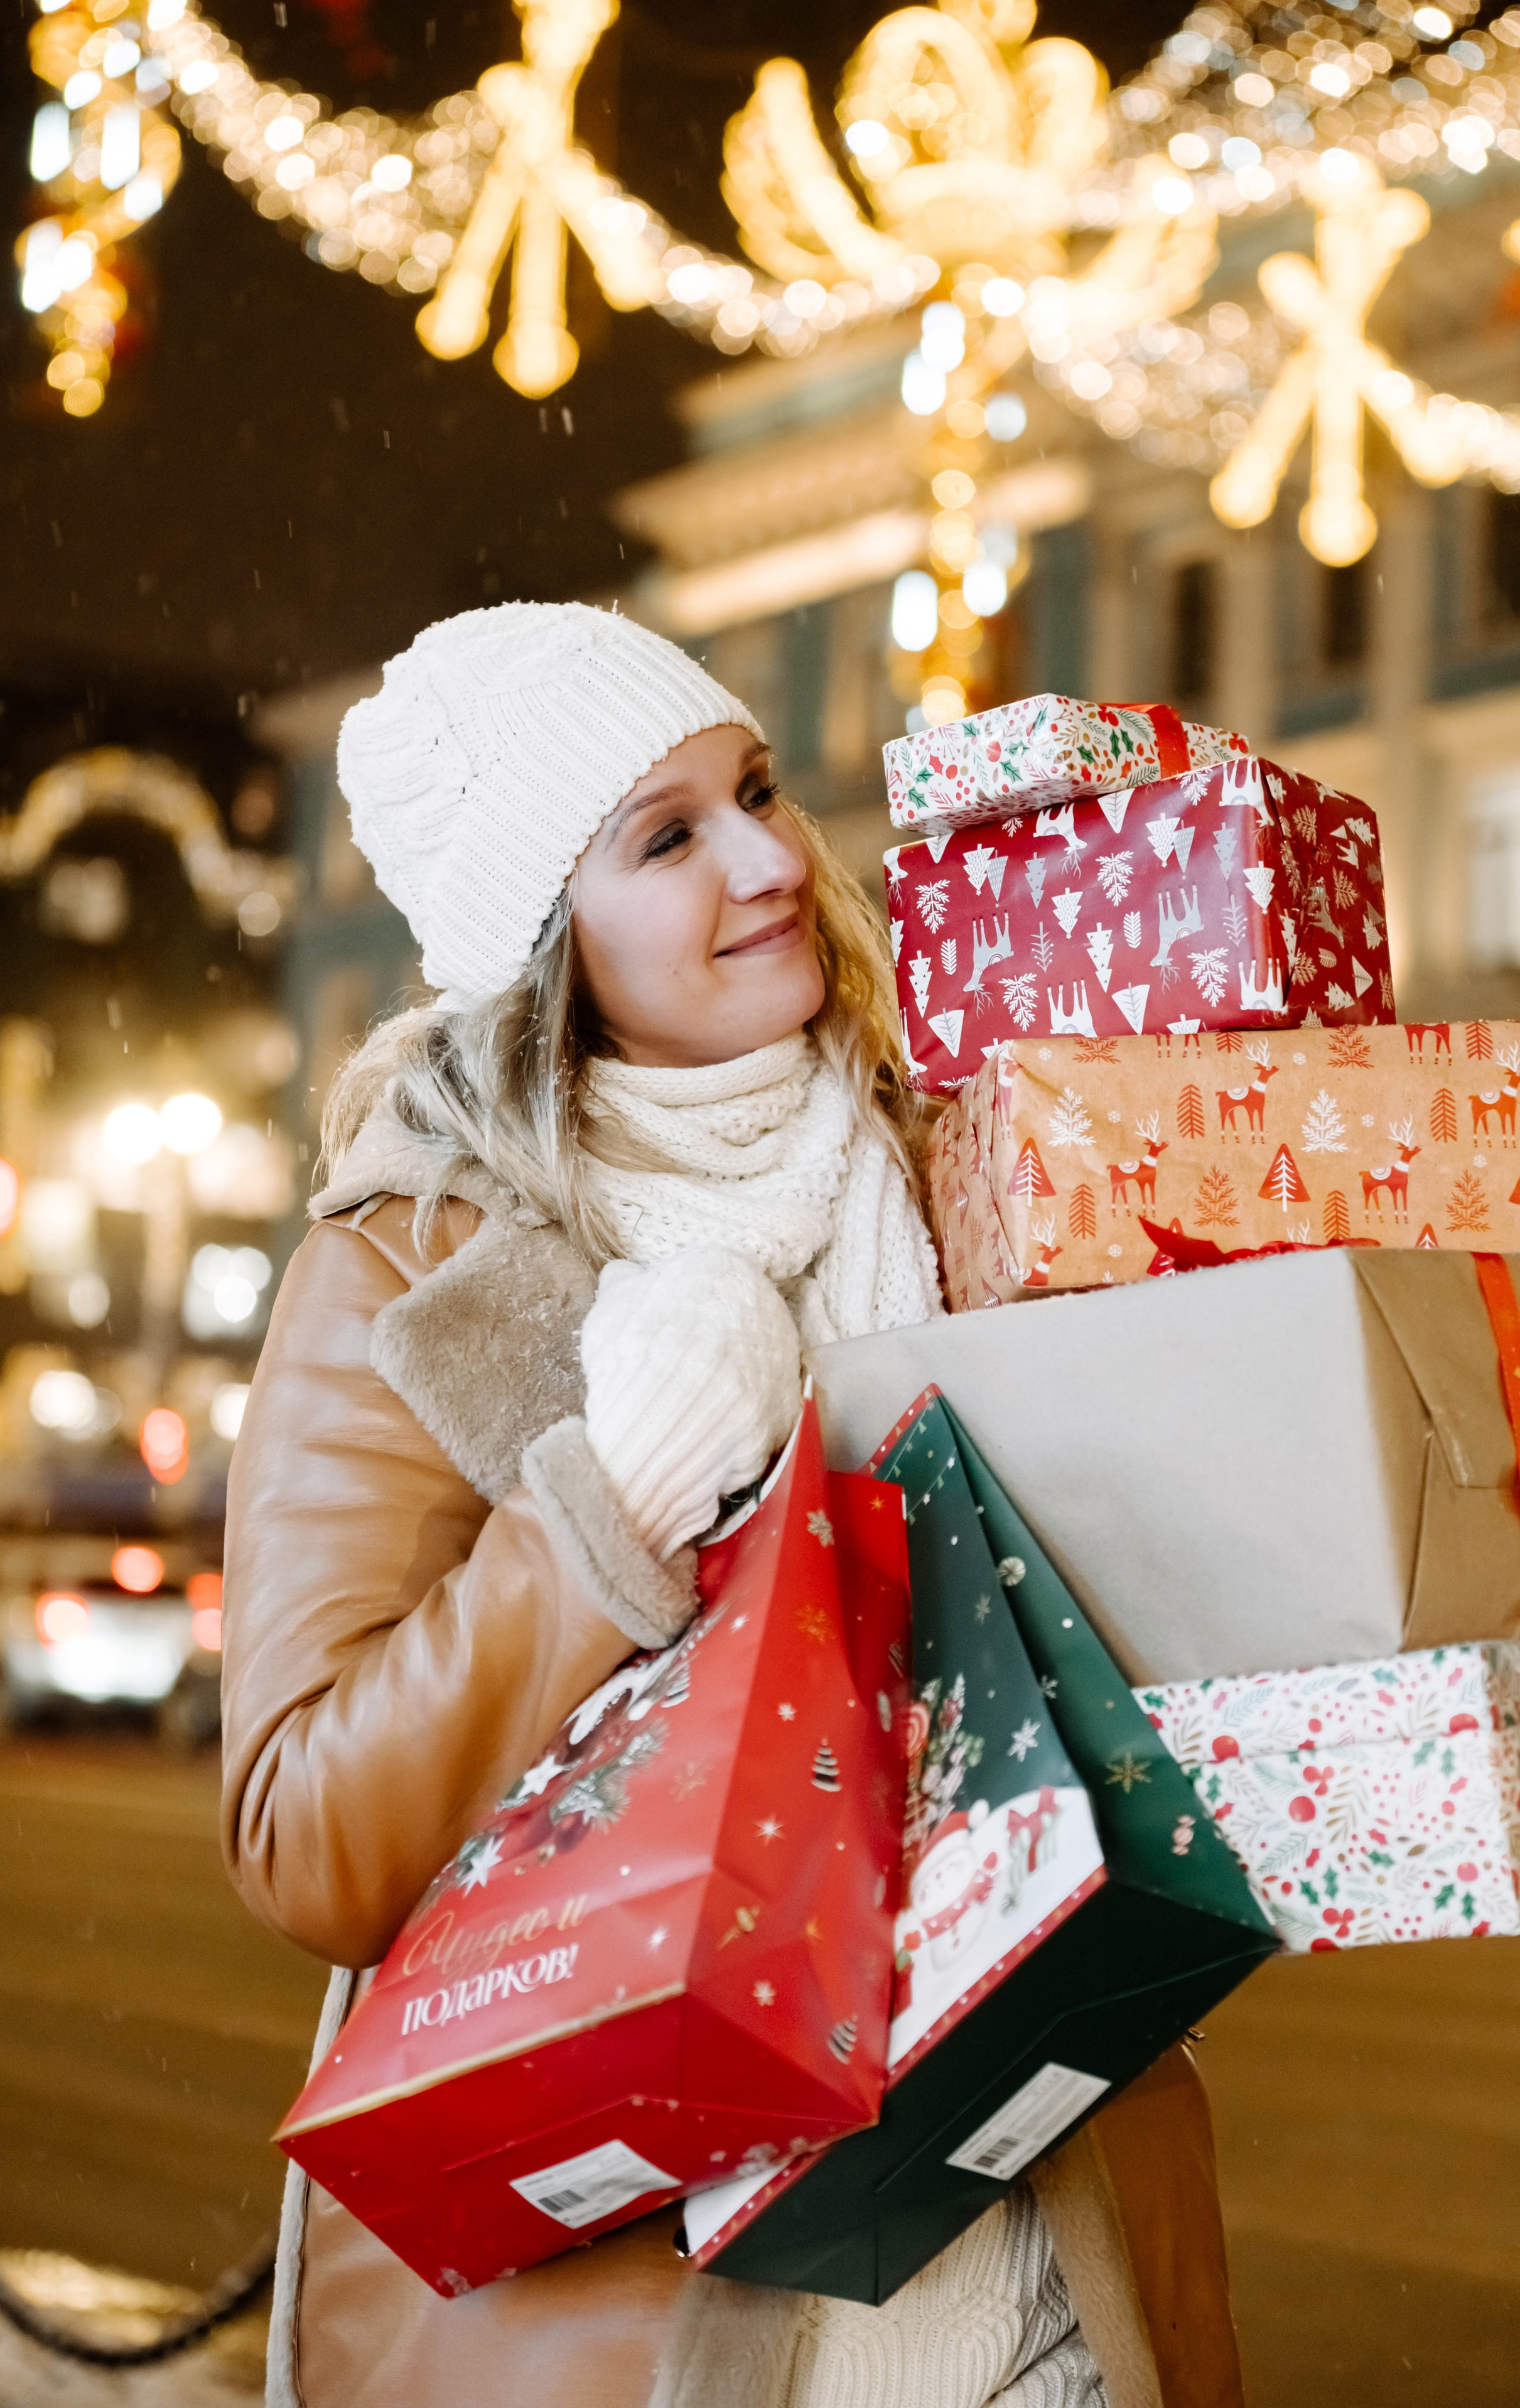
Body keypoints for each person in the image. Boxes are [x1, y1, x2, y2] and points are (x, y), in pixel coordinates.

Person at [221, 603, 1243, 2408]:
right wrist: (606, 1508)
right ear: (546, 938)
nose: (772, 857)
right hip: (647, 2304)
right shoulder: (407, 1266)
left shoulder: (969, 1171)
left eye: (756, 788)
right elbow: (306, 1831)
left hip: (1040, 2253)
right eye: (668, 835)